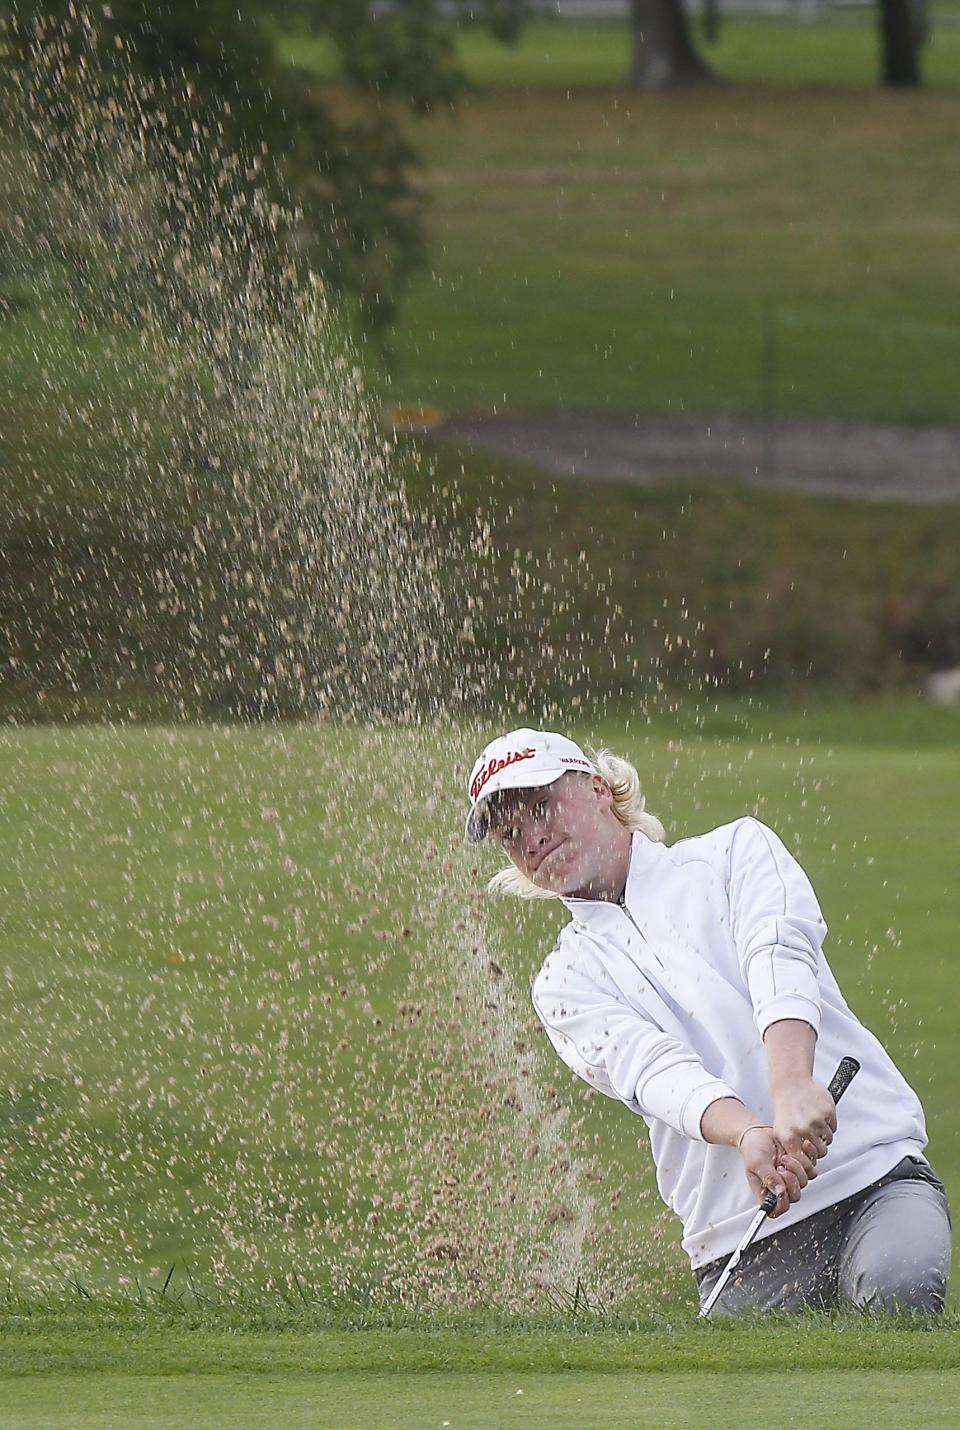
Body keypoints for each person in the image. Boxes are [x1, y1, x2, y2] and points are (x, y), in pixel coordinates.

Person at [464, 727, 952, 1317]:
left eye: (541, 807)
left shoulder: (734, 852)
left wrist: (792, 1087)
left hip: (870, 1176)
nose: (532, 837)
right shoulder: (563, 981)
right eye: (510, 835)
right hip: (739, 1236)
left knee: (900, 1290)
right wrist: (748, 1133)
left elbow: (779, 955)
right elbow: (655, 1074)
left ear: (596, 787)